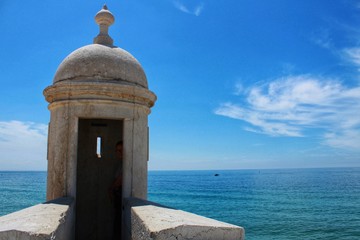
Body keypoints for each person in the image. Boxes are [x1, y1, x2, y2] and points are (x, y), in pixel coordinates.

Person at [109, 141, 123, 240]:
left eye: (121, 150)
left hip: (120, 199)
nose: (119, 152)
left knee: (118, 225)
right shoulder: (121, 164)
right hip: (117, 198)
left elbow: (121, 179)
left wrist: (111, 188)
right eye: (117, 150)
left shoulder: (126, 164)